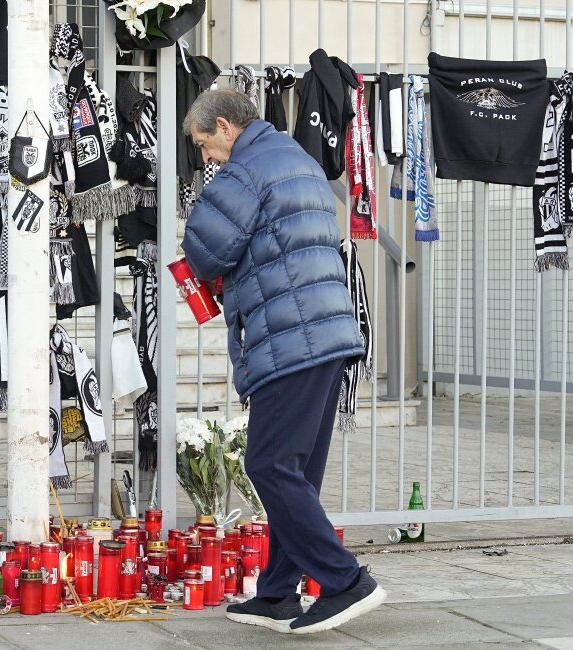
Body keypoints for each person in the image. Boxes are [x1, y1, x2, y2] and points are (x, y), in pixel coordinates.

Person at [180, 89, 386, 635]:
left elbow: (204, 250)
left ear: (225, 127)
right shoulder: (297, 158)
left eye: (203, 145)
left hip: (289, 338)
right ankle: (275, 593)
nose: (205, 157)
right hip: (326, 332)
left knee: (269, 465)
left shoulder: (246, 171)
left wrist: (209, 198)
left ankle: (344, 580)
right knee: (296, 474)